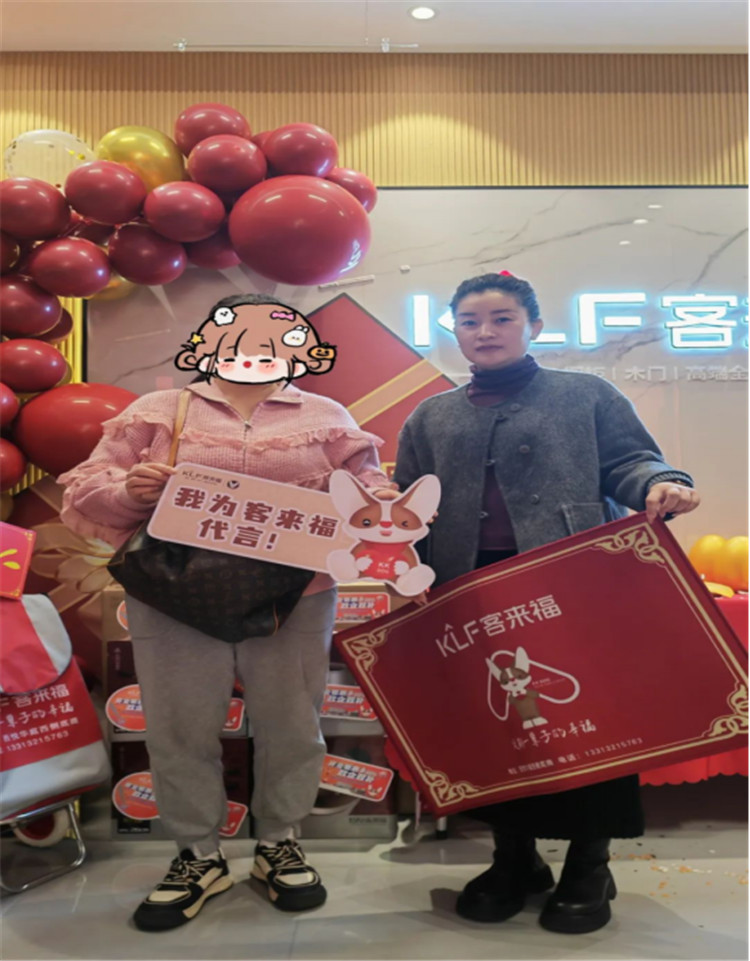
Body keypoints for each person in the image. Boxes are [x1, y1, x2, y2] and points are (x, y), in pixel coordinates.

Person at [59, 294, 391, 932]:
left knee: (292, 722)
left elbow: (369, 489)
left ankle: (279, 842)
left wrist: (383, 506)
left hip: (296, 594)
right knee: (179, 726)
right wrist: (131, 491)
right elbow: (88, 488)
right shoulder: (158, 410)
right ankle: (197, 854)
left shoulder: (326, 416)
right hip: (175, 593)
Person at [386, 272, 700, 935]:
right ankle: (515, 858)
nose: (485, 332)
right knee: (500, 725)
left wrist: (662, 482)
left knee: (594, 721)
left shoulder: (586, 394)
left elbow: (632, 462)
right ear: (455, 331)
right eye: (470, 321)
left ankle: (590, 863)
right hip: (469, 592)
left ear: (533, 326)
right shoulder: (431, 415)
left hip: (575, 587)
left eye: (502, 319)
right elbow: (407, 503)